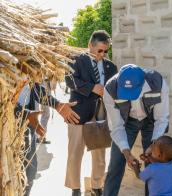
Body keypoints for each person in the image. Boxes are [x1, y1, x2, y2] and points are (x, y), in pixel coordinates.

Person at [103, 64, 169, 196]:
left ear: (143, 81)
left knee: (153, 163)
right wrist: (126, 153)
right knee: (116, 163)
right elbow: (116, 126)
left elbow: (161, 119)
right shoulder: (110, 89)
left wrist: (153, 145)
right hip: (126, 122)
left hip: (152, 121)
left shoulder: (158, 82)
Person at [65, 30, 117, 196]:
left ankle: (97, 185)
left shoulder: (111, 66)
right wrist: (92, 88)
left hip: (101, 112)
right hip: (78, 112)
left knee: (99, 152)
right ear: (90, 45)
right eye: (99, 50)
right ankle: (75, 188)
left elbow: (115, 89)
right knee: (75, 153)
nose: (102, 54)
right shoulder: (75, 60)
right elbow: (70, 80)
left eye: (105, 51)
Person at [15, 82, 80, 196]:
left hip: (28, 123)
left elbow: (35, 90)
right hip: (7, 126)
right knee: (11, 173)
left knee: (29, 171)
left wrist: (58, 105)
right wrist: (26, 114)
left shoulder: (25, 70)